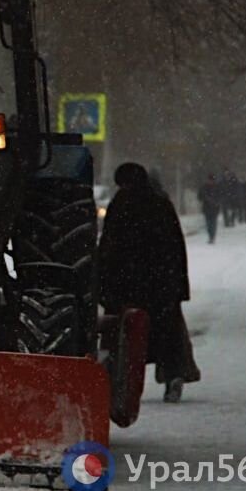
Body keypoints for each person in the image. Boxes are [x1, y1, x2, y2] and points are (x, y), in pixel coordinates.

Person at [99, 162, 201, 403]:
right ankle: (173, 377)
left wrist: (104, 283)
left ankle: (117, 383)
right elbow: (175, 246)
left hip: (127, 286)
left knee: (122, 338)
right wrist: (176, 285)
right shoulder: (159, 203)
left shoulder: (121, 204)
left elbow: (108, 247)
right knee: (167, 334)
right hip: (159, 285)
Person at [198, 173, 220, 244]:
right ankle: (210, 236)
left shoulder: (217, 187)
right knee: (208, 224)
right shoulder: (204, 187)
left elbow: (221, 196)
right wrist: (204, 198)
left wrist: (217, 202)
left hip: (214, 208)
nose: (210, 182)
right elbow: (199, 197)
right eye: (209, 180)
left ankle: (212, 237)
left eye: (212, 180)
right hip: (207, 208)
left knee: (213, 223)